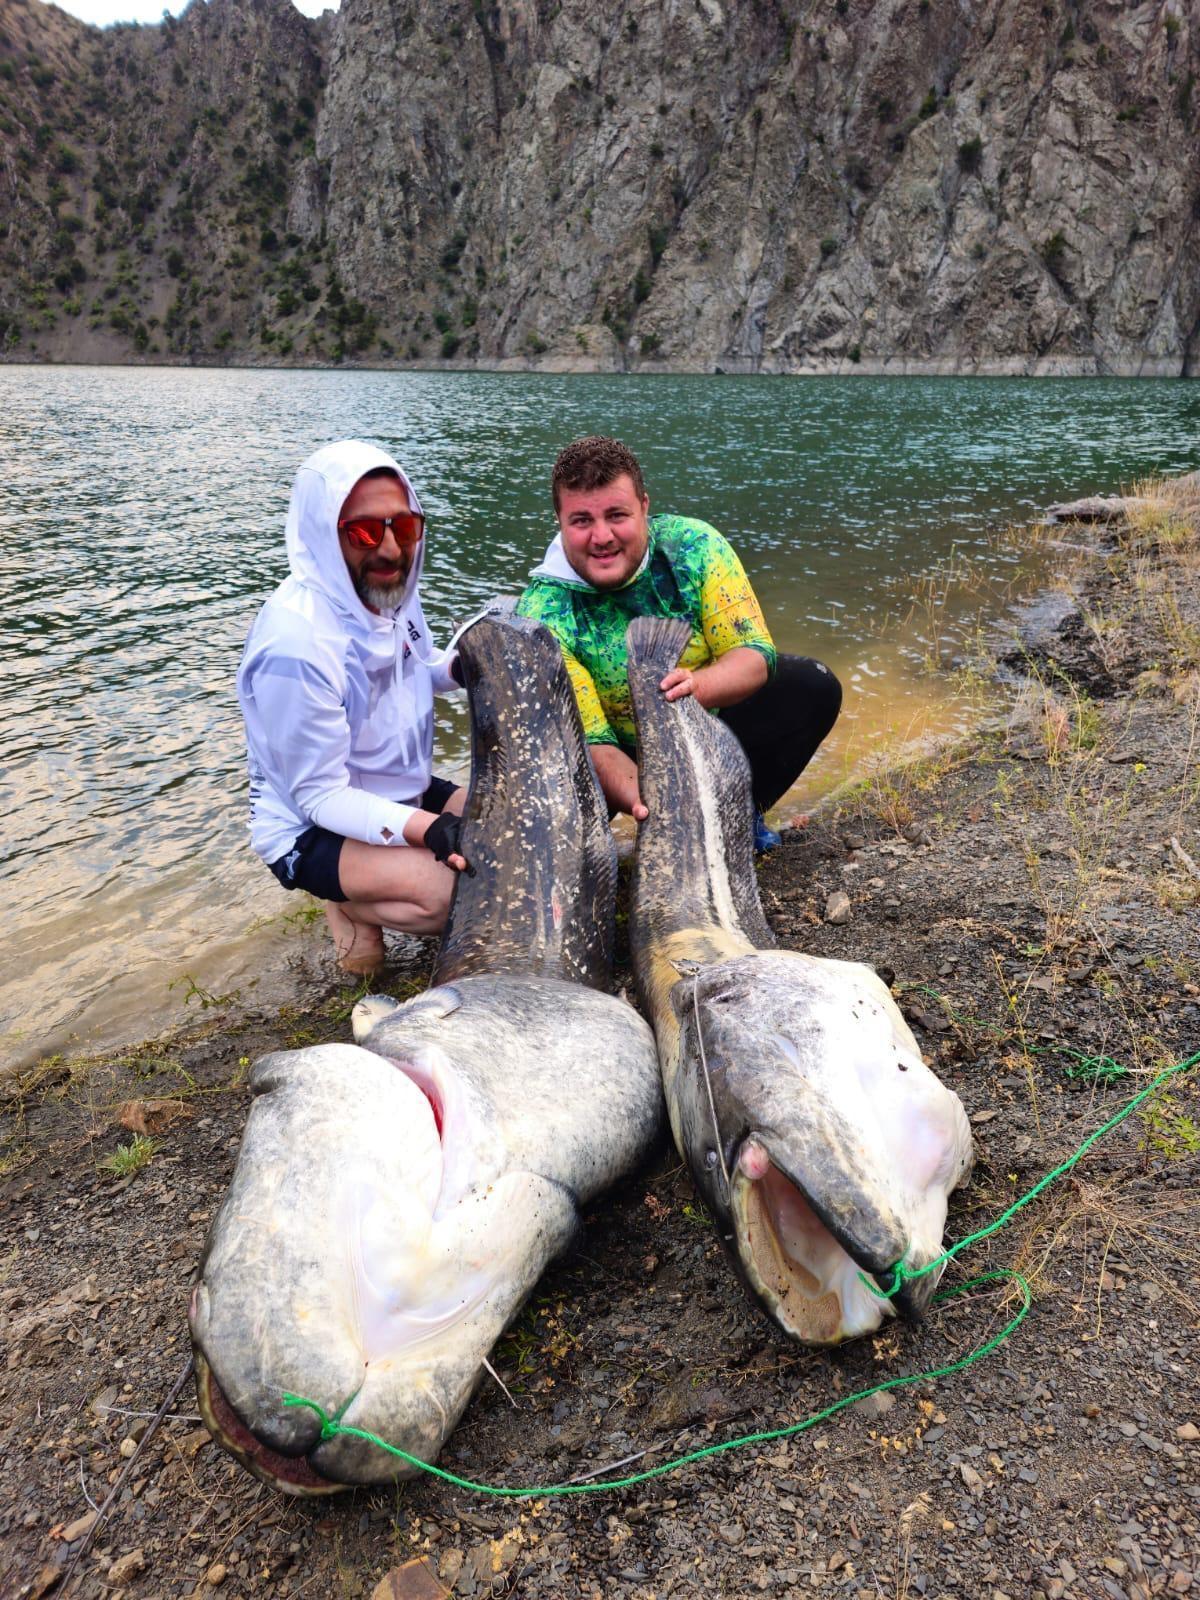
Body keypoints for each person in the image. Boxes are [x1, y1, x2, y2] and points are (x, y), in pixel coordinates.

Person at [516, 435, 841, 848]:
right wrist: (659, 811)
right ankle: (651, 837)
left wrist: (698, 685)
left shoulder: (694, 547)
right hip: (608, 753)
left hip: (702, 725)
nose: (602, 536)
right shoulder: (542, 613)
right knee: (542, 799)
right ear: (560, 521)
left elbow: (753, 655)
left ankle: (736, 819)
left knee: (811, 685)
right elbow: (593, 742)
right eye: (581, 521)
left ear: (644, 507)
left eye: (617, 515)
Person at [237, 438, 469, 976]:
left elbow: (422, 665)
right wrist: (430, 832)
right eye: (363, 532)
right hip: (309, 824)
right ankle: (344, 904)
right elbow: (320, 795)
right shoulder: (297, 645)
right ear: (324, 532)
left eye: (403, 527)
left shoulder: (392, 591)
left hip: (393, 786)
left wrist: (463, 669)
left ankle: (376, 884)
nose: (389, 549)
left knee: (508, 830)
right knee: (455, 895)